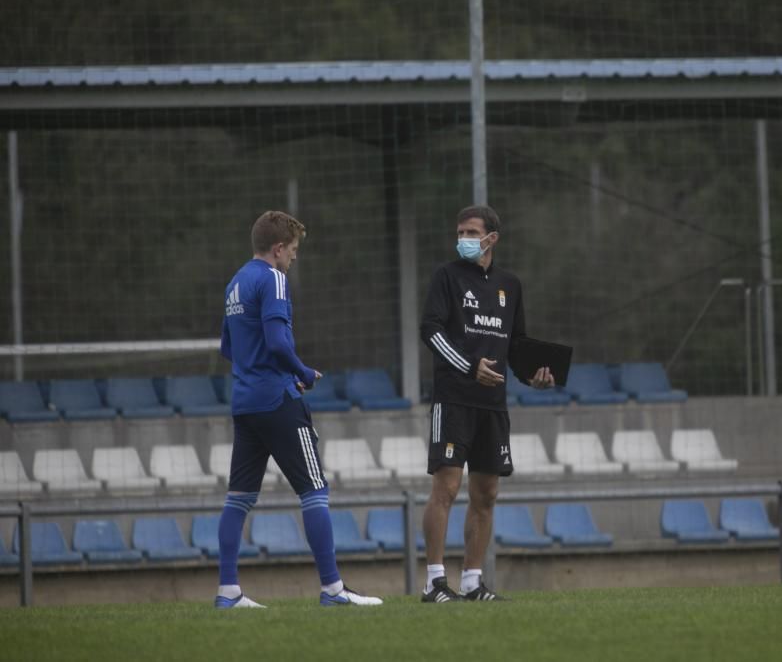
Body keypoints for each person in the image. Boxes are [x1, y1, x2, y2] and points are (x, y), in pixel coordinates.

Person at [216, 210, 382, 608]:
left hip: (245, 402)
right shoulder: (273, 278)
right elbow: (276, 342)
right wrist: (303, 372)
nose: (293, 258)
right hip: (278, 398)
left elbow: (227, 347)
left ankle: (228, 592)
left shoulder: (235, 283)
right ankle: (332, 589)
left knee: (238, 498)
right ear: (277, 249)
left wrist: (255, 368)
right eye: (292, 250)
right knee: (315, 491)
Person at [419, 204, 555, 602]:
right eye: (460, 231)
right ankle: (434, 582)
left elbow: (517, 345)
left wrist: (534, 377)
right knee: (446, 486)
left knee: (487, 492)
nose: (463, 238)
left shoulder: (510, 285)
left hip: (493, 405)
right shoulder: (446, 277)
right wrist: (469, 366)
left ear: (492, 238)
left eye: (472, 232)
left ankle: (473, 582)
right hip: (453, 399)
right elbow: (430, 330)